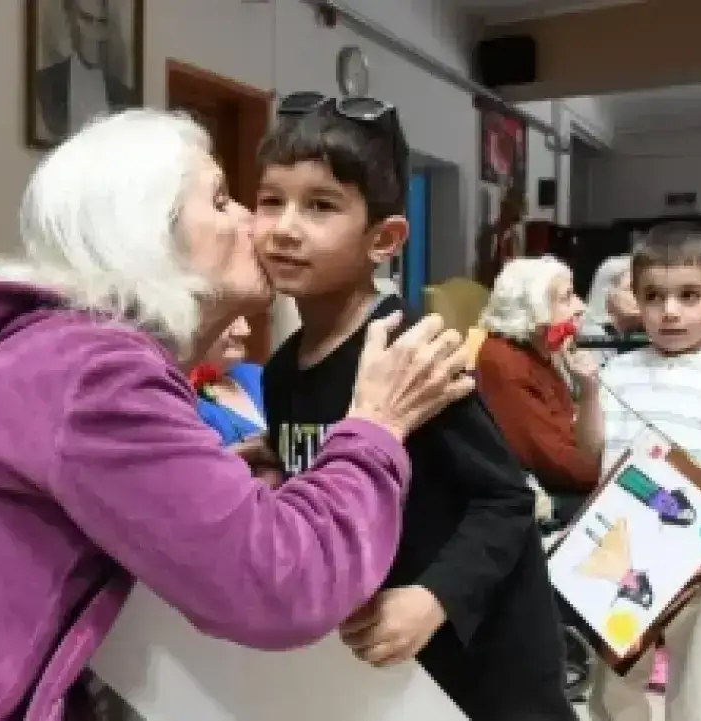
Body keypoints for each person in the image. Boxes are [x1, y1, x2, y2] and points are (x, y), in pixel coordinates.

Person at [0, 109, 475, 721]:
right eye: (222, 200)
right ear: (147, 238)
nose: (255, 222)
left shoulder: (59, 356)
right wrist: (375, 426)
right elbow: (282, 585)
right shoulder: (95, 375)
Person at [251, 92, 575, 721]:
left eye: (320, 206)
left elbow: (506, 500)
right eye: (271, 200)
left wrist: (432, 597)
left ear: (385, 239)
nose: (285, 227)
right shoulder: (282, 372)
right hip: (390, 666)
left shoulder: (412, 351)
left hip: (486, 658)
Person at [575, 221, 701, 720]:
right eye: (654, 296)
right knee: (614, 692)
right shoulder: (615, 373)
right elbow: (589, 451)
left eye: (689, 296)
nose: (670, 312)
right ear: (635, 301)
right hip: (623, 557)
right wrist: (588, 392)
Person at [475, 256, 602, 523]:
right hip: (546, 498)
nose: (580, 306)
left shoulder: (539, 351)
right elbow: (567, 470)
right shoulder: (505, 362)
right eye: (566, 298)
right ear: (534, 309)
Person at [35, 0, 136, 140]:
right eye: (87, 19)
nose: (94, 34)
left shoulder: (123, 95)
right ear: (70, 20)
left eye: (101, 22)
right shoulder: (43, 84)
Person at [191, 316, 266, 446]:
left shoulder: (255, 374)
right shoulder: (182, 403)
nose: (245, 331)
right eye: (229, 320)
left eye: (242, 316)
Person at [581, 254, 644, 367]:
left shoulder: (648, 334)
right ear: (608, 294)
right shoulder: (590, 335)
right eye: (631, 288)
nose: (641, 296)